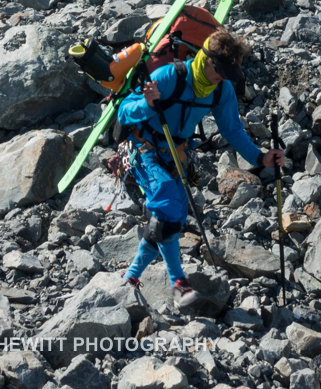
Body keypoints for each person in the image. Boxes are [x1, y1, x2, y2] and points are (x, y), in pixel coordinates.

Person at [117, 28, 285, 308]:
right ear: (205, 59)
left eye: (228, 73)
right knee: (168, 205)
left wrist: (261, 158)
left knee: (173, 217)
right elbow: (124, 111)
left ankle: (131, 276)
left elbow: (232, 130)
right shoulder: (169, 76)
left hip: (177, 155)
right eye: (220, 70)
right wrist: (147, 104)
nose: (223, 77)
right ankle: (179, 283)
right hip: (142, 150)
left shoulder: (221, 89)